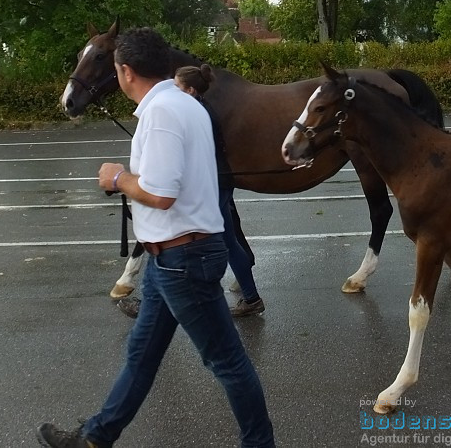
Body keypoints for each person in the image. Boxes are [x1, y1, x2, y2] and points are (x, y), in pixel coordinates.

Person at [37, 27, 276, 448]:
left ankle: (260, 444)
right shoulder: (181, 103)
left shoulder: (163, 112)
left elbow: (162, 194)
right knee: (142, 354)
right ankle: (96, 437)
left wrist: (118, 178)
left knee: (228, 363)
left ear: (125, 72)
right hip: (170, 257)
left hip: (182, 258)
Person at [174, 63, 265, 317]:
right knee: (224, 240)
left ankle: (248, 298)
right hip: (215, 181)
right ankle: (250, 297)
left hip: (212, 183)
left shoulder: (196, 115)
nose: (173, 90)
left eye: (177, 86)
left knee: (217, 240)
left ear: (190, 90)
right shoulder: (199, 109)